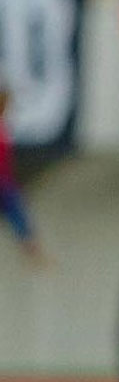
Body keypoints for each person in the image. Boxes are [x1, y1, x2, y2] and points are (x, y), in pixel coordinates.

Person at [0, 83, 48, 265]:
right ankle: (33, 250)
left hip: (6, 181)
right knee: (16, 211)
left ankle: (32, 249)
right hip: (3, 183)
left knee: (18, 213)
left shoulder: (4, 126)